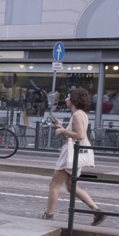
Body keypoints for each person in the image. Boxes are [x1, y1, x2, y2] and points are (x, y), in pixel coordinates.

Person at [42, 87, 106, 225]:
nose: (66, 99)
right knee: (72, 187)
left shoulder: (77, 115)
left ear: (74, 99)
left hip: (70, 154)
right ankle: (96, 211)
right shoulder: (82, 114)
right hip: (75, 154)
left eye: (68, 96)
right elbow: (77, 132)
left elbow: (80, 135)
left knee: (54, 185)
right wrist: (61, 126)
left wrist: (63, 130)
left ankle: (49, 215)